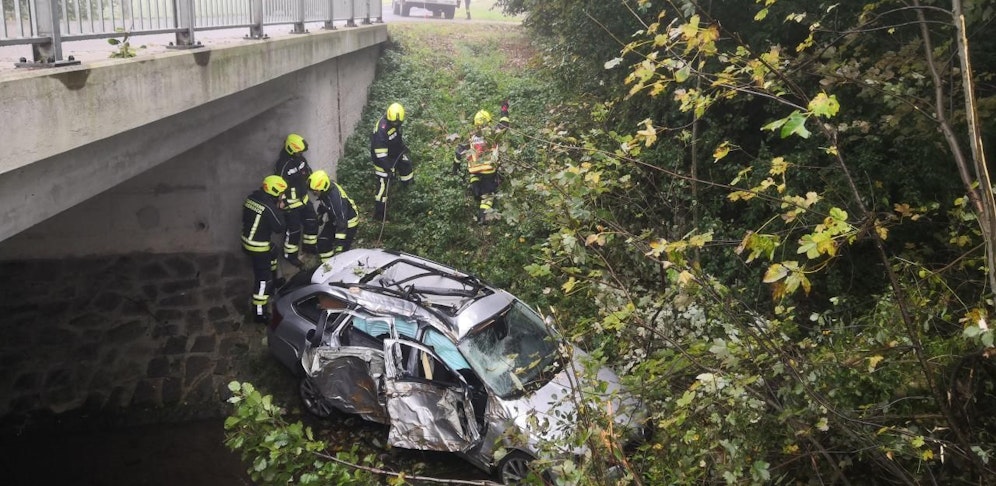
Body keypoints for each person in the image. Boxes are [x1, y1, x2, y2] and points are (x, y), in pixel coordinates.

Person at [241, 175, 288, 323]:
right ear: (274, 191)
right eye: (281, 193)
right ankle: (259, 313)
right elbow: (279, 227)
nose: (283, 196)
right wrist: (280, 209)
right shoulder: (269, 207)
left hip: (247, 240)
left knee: (273, 251)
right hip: (257, 246)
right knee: (263, 281)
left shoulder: (252, 198)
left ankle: (274, 280)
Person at [454, 101, 510, 224]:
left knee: (475, 174)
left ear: (475, 124)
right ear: (489, 122)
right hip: (488, 171)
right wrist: (504, 108)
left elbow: (458, 152)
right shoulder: (493, 134)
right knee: (488, 195)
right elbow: (504, 124)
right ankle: (483, 217)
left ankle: (475, 187)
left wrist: (455, 169)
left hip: (474, 170)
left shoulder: (471, 137)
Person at [274, 133, 317, 268]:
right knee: (294, 231)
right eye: (298, 151)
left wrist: (314, 186)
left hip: (304, 199)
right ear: (291, 149)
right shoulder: (283, 164)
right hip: (290, 204)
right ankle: (290, 255)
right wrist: (280, 201)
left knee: (312, 221)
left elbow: (308, 173)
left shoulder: (301, 160)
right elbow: (279, 184)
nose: (300, 154)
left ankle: (309, 247)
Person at [369, 102, 413, 221]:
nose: (396, 124)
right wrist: (389, 168)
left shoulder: (395, 123)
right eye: (394, 123)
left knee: (406, 165)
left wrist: (402, 147)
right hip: (382, 161)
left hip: (394, 154)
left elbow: (396, 137)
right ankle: (379, 214)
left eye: (398, 123)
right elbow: (380, 155)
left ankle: (407, 188)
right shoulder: (381, 130)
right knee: (383, 186)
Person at [308, 170, 359, 262]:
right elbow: (325, 202)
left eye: (315, 191)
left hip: (348, 223)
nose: (314, 193)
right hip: (335, 219)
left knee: (342, 253)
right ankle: (327, 265)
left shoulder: (336, 200)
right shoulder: (326, 190)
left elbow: (342, 221)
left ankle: (339, 264)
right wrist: (320, 214)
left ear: (323, 188)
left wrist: (340, 244)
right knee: (323, 242)